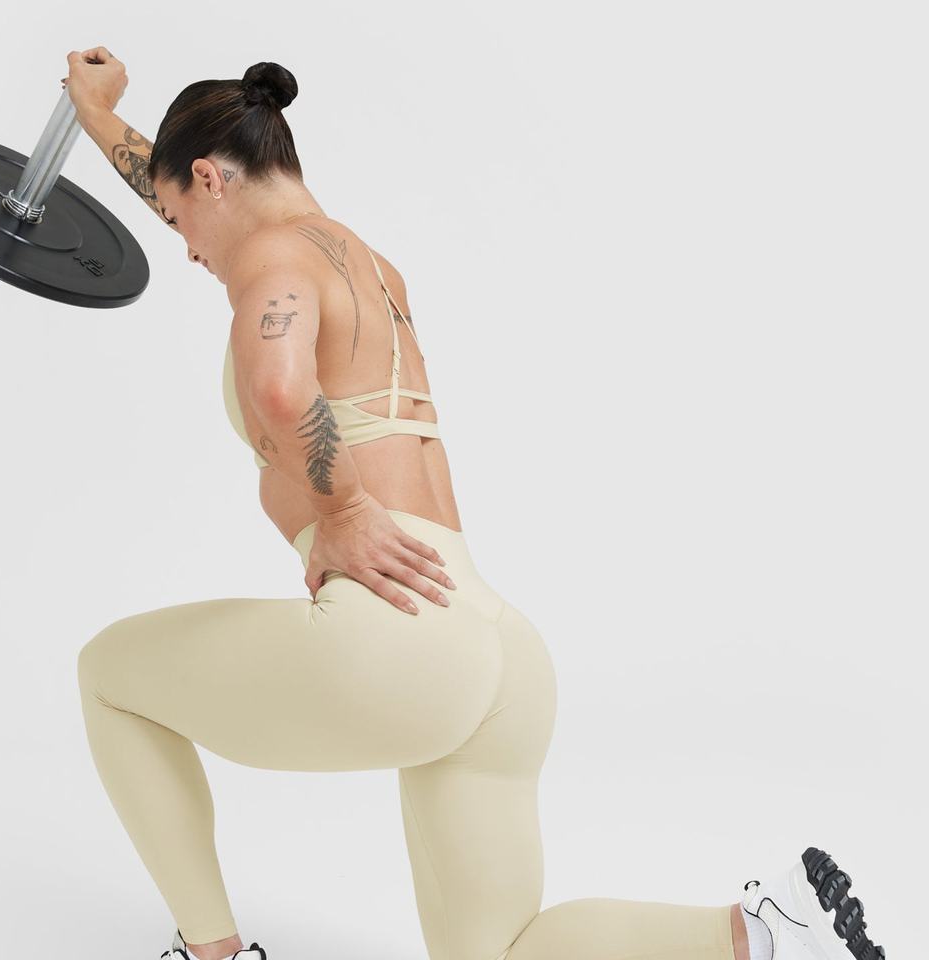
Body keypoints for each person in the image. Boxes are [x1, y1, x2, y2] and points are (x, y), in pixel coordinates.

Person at [64, 47, 888, 960]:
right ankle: (763, 934)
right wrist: (98, 117)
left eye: (181, 219)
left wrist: (343, 512)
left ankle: (212, 955)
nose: (186, 248)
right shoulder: (367, 265)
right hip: (496, 649)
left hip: (396, 635)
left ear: (213, 179)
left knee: (109, 676)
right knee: (500, 949)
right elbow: (182, 190)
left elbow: (280, 389)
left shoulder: (269, 254)